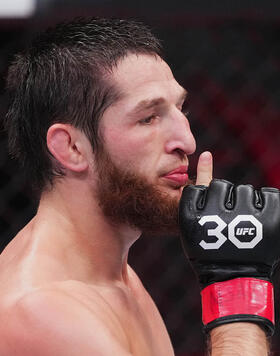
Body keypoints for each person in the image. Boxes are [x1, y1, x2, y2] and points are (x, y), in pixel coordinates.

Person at [0, 18, 271, 355]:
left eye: (180, 109)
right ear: (71, 147)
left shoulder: (114, 275)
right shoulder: (42, 310)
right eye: (148, 118)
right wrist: (236, 287)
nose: (187, 141)